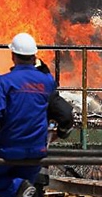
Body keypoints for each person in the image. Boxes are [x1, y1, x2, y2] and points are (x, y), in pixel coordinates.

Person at [0, 33, 56, 197]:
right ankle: (21, 188)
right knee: (24, 188)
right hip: (38, 149)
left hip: (10, 148)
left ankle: (17, 187)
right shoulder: (47, 81)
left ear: (13, 56)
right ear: (34, 55)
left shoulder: (4, 82)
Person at [33, 59, 74, 197]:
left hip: (9, 162)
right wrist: (61, 133)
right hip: (35, 163)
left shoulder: (7, 83)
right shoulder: (45, 89)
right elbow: (66, 115)